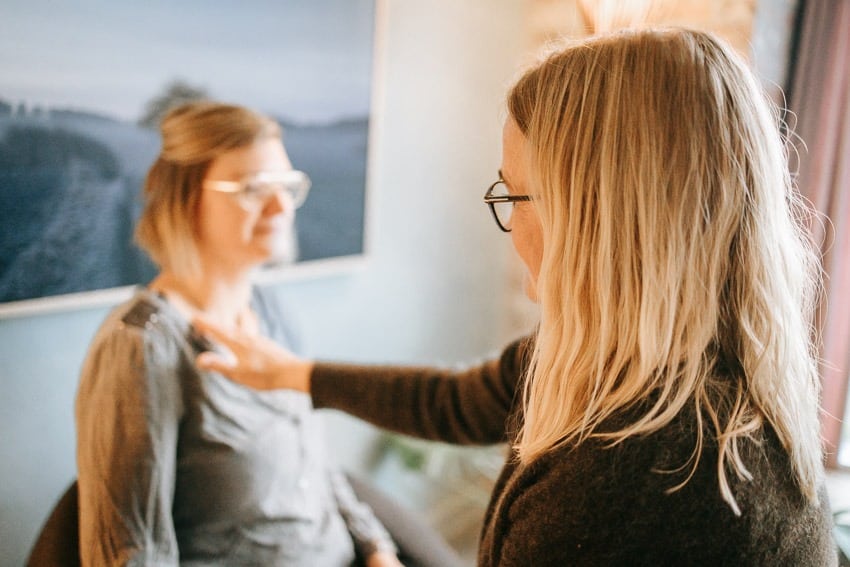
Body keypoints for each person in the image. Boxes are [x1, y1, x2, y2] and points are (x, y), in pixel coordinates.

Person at [193, 29, 838, 566]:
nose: (507, 224)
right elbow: (454, 402)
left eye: (513, 195)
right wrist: (296, 376)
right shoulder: (663, 367)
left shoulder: (625, 483)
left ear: (592, 218)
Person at [74, 101, 408, 566]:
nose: (280, 207)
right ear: (186, 199)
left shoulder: (272, 311)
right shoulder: (140, 348)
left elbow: (314, 462)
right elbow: (133, 552)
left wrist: (377, 548)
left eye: (286, 186)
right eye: (254, 188)